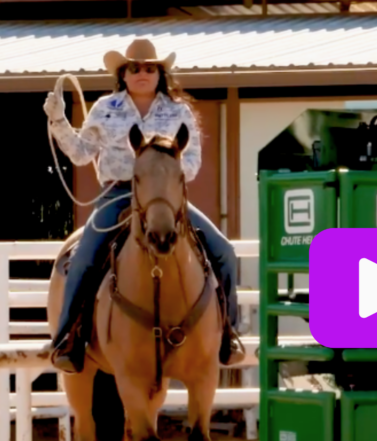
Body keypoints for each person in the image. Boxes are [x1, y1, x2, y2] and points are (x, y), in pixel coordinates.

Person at [43, 38, 245, 374]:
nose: (142, 73)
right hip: (118, 195)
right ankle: (69, 339)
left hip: (166, 199)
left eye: (149, 68)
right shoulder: (105, 108)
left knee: (223, 250)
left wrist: (162, 175)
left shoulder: (178, 112)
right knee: (82, 258)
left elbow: (192, 160)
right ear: (123, 74)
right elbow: (80, 153)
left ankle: (229, 333)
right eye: (134, 67)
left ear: (159, 73)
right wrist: (59, 121)